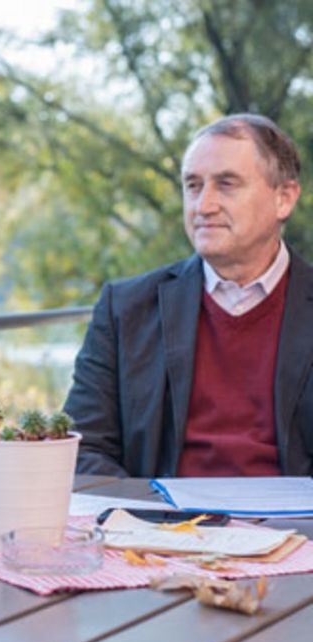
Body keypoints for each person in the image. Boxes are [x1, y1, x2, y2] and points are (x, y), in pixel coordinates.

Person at [63, 113, 313, 478]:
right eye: (193, 186)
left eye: (226, 184)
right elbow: (81, 446)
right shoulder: (126, 309)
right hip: (164, 527)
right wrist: (151, 518)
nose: (203, 205)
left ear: (284, 198)